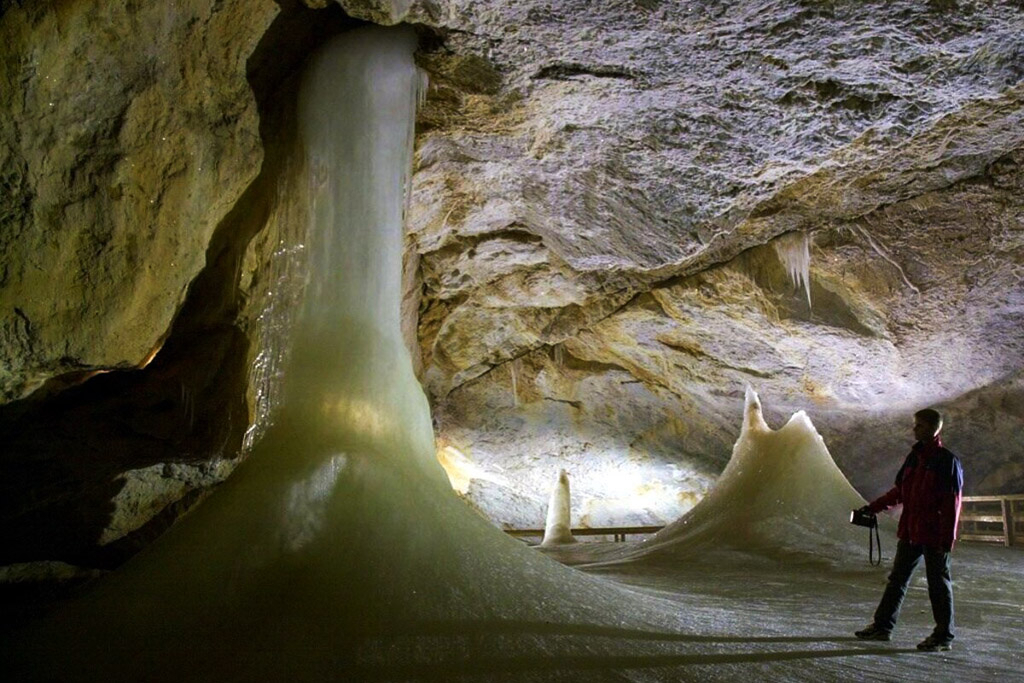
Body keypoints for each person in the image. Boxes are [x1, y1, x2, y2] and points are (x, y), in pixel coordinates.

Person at [854, 408, 963, 651]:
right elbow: (900, 491)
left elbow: (952, 502)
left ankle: (943, 635)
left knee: (938, 583)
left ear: (935, 428)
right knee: (897, 580)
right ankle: (883, 627)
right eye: (915, 425)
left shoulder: (947, 461)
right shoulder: (914, 458)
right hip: (911, 531)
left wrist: (948, 538)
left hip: (933, 535)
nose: (915, 430)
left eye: (920, 426)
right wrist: (873, 507)